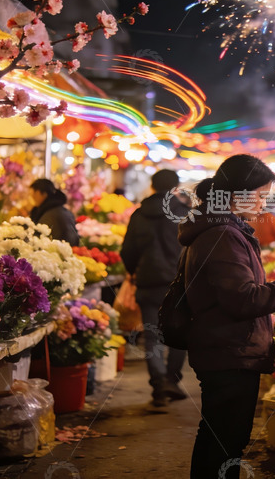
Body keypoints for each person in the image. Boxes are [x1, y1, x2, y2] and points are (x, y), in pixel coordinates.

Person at [178, 154, 275, 479]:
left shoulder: (223, 230)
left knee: (223, 440)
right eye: (259, 195)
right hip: (229, 350)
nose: (263, 204)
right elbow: (242, 298)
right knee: (223, 442)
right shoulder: (222, 236)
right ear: (234, 195)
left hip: (227, 347)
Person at [120, 169, 190, 407]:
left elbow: (127, 251)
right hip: (178, 283)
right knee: (180, 333)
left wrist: (133, 272)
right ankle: (171, 379)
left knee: (152, 335)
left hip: (148, 282)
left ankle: (159, 384)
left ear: (151, 186)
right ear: (175, 188)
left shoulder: (139, 215)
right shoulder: (183, 213)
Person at [29, 179, 79, 246]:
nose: (33, 197)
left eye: (34, 194)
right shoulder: (62, 210)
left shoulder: (49, 215)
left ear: (43, 194)